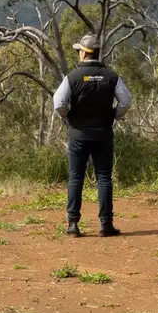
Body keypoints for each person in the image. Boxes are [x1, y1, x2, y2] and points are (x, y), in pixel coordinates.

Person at [52, 33, 132, 237]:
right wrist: (115, 115)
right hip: (103, 133)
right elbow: (125, 101)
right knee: (104, 177)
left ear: (84, 53)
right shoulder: (111, 76)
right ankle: (106, 224)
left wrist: (67, 118)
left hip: (78, 134)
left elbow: (59, 103)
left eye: (79, 50)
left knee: (75, 177)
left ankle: (73, 224)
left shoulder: (72, 77)